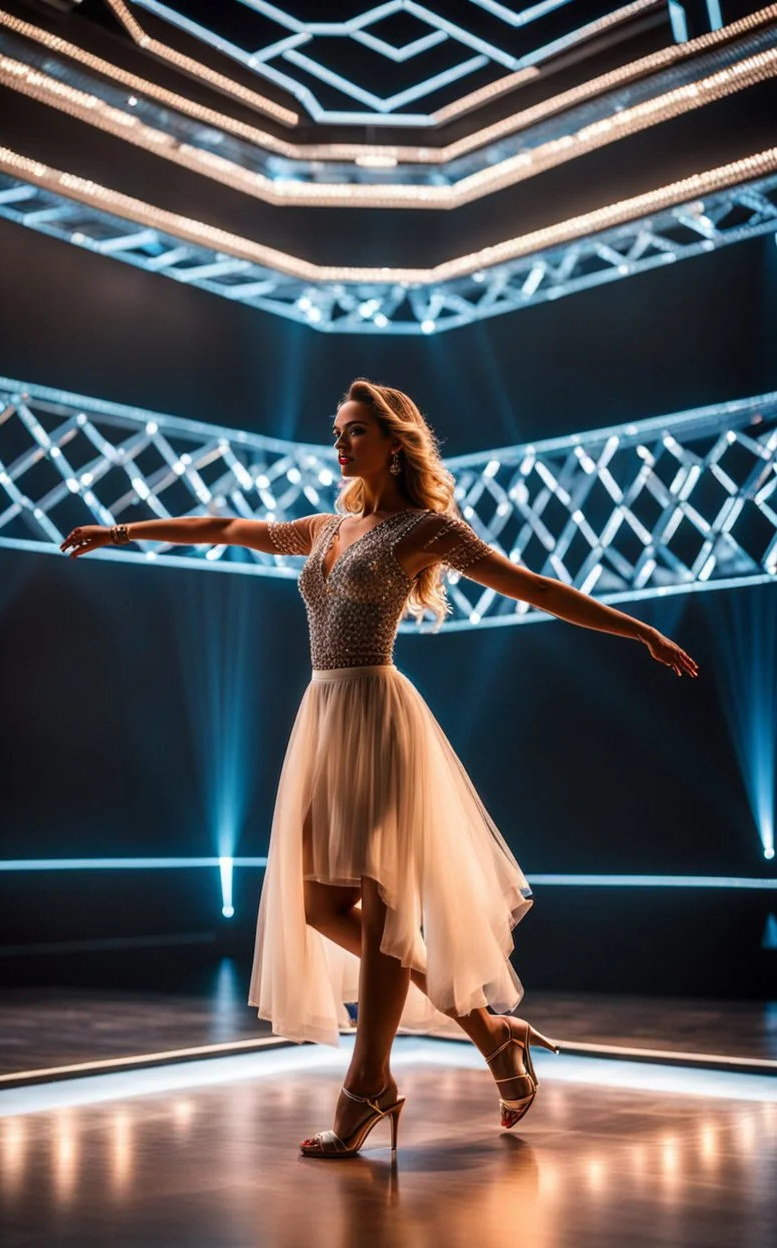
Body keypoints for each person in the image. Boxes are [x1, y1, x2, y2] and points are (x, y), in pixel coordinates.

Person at [61, 378, 699, 1158]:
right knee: (319, 904)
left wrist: (641, 634)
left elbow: (534, 586)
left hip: (378, 716)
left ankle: (369, 1085)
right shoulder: (325, 527)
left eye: (356, 431)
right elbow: (227, 526)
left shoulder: (425, 529)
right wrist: (121, 531)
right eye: (338, 431)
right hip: (324, 717)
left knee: (383, 908)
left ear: (394, 443)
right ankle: (492, 1034)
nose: (341, 444)